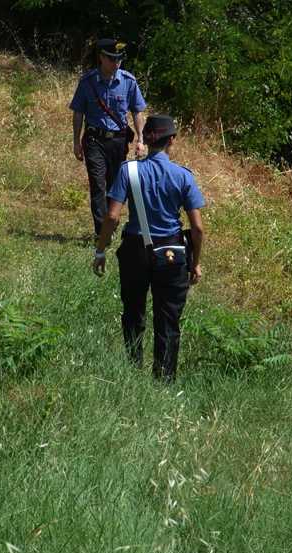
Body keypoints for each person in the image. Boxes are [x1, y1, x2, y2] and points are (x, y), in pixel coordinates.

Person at [92, 115, 205, 382]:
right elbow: (198, 228)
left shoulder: (127, 171)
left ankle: (132, 371)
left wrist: (100, 250)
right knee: (168, 320)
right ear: (172, 141)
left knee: (133, 312)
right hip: (171, 253)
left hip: (134, 251)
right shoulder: (183, 176)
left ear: (148, 140)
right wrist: (195, 262)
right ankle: (163, 380)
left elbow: (111, 217)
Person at [69, 38, 147, 235]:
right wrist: (76, 142)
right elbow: (78, 112)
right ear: (101, 58)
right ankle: (101, 232)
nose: (116, 63)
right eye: (112, 59)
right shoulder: (87, 82)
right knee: (97, 184)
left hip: (118, 142)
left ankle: (111, 224)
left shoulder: (128, 82)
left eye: (119, 59)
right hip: (94, 139)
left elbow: (137, 111)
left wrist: (140, 139)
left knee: (115, 187)